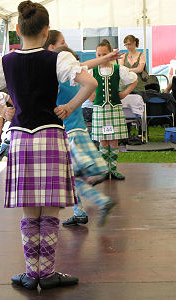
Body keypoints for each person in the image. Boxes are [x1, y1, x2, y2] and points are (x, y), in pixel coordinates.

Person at [0, 0, 97, 290]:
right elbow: (90, 84)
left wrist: (1, 111)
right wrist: (69, 105)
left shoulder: (3, 62)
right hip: (51, 135)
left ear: (17, 30)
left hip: (22, 138)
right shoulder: (58, 59)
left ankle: (31, 273)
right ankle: (48, 273)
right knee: (50, 208)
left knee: (29, 210)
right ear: (46, 30)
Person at [54, 46, 122, 227]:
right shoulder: (75, 78)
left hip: (69, 134)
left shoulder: (59, 79)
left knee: (67, 177)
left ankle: (92, 202)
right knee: (71, 178)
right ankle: (81, 210)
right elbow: (88, 64)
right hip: (80, 131)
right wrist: (107, 57)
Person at [92, 39, 137, 180]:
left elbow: (134, 80)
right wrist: (89, 96)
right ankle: (105, 169)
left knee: (113, 140)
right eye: (98, 55)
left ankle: (114, 169)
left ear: (111, 54)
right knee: (103, 141)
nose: (101, 57)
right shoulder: (92, 69)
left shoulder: (118, 69)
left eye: (104, 54)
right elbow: (81, 84)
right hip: (100, 108)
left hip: (114, 109)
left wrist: (125, 93)